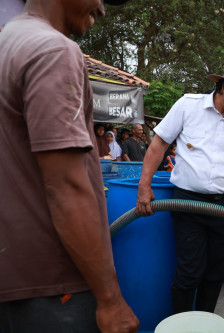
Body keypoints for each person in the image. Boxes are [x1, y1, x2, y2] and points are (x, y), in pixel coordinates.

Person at [0, 0, 139, 332]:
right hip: (54, 285)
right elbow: (66, 187)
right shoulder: (54, 51)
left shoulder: (9, 41)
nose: (102, 9)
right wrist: (110, 300)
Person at [135, 60, 224, 314]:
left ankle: (206, 322)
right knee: (189, 270)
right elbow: (158, 145)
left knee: (216, 271)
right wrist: (144, 185)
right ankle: (182, 325)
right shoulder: (188, 106)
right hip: (187, 202)